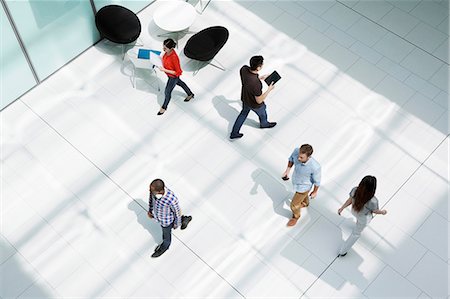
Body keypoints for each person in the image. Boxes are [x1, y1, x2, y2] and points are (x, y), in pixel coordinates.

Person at [337, 175, 387, 257]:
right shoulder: (373, 201)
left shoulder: (355, 190)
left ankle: (357, 223)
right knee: (356, 234)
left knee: (358, 220)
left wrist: (342, 208)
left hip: (354, 211)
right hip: (363, 217)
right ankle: (343, 251)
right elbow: (375, 211)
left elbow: (350, 200)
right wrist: (383, 212)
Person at [230, 55, 276, 139]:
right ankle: (264, 124)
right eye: (262, 64)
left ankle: (234, 133)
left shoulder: (243, 69)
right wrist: (269, 89)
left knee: (243, 114)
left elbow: (248, 79)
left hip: (245, 98)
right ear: (258, 68)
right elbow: (259, 100)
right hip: (255, 105)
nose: (262, 65)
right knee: (263, 112)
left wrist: (258, 78)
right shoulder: (256, 84)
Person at [148, 179, 192, 257]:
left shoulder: (171, 199)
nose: (150, 190)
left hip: (166, 221)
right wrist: (150, 210)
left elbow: (177, 212)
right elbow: (151, 200)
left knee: (166, 236)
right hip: (159, 217)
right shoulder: (153, 192)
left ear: (159, 192)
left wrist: (176, 224)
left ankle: (164, 247)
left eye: (152, 190)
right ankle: (185, 219)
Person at [282, 144, 321, 227]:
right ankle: (305, 203)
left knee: (294, 205)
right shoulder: (297, 151)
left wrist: (315, 191)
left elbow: (317, 181)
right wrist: (287, 171)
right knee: (303, 198)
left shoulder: (315, 167)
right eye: (299, 156)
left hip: (304, 187)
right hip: (296, 181)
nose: (298, 159)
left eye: (301, 157)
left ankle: (296, 217)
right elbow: (291, 159)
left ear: (309, 156)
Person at [157, 38, 194, 115]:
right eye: (163, 46)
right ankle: (190, 94)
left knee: (167, 92)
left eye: (165, 48)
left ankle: (164, 107)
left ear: (171, 48)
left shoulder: (174, 57)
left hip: (173, 77)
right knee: (181, 83)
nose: (163, 49)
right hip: (169, 75)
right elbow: (165, 61)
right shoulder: (166, 53)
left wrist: (164, 70)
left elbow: (178, 72)